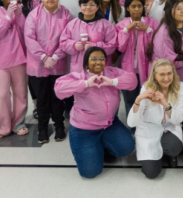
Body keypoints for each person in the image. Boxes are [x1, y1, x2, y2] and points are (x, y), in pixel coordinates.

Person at [54, 47, 136, 178]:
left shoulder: (112, 72)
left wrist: (113, 82)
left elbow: (132, 81)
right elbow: (58, 90)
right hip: (84, 130)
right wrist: (85, 83)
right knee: (90, 172)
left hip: (109, 124)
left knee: (126, 147)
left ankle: (103, 145)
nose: (98, 62)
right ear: (86, 62)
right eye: (93, 59)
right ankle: (93, 147)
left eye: (101, 58)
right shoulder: (78, 76)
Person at [24, 0, 73, 144]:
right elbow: (29, 38)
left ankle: (59, 126)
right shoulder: (34, 15)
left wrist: (56, 57)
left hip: (58, 64)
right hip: (38, 64)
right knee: (42, 99)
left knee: (58, 97)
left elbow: (68, 37)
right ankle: (43, 128)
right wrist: (44, 57)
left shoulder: (66, 14)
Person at [128, 59, 183, 179]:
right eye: (162, 74)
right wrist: (138, 100)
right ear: (154, 75)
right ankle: (155, 157)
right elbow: (131, 123)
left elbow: (179, 118)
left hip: (170, 125)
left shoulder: (180, 87)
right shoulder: (147, 89)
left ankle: (170, 154)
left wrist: (166, 105)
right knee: (151, 173)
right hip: (149, 129)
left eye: (169, 73)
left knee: (173, 147)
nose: (166, 78)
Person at [0, 0, 29, 140]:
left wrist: (19, 16)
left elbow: (27, 32)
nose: (14, 0)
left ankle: (18, 123)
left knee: (21, 94)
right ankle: (4, 126)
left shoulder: (19, 12)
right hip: (1, 61)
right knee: (2, 94)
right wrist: (7, 17)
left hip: (20, 59)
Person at [116, 0, 159, 115]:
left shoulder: (152, 23)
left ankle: (145, 124)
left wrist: (148, 29)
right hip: (128, 67)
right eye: (133, 6)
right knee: (130, 98)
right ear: (127, 8)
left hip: (147, 66)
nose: (136, 9)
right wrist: (126, 30)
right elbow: (120, 47)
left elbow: (157, 44)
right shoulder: (121, 25)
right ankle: (133, 127)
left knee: (147, 97)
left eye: (139, 6)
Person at [60, 0, 117, 73]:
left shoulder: (106, 25)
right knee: (80, 84)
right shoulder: (72, 24)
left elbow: (112, 45)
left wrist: (94, 46)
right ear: (80, 6)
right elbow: (63, 42)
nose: (88, 7)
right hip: (78, 67)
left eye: (92, 4)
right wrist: (74, 45)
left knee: (98, 84)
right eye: (84, 4)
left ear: (97, 7)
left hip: (99, 66)